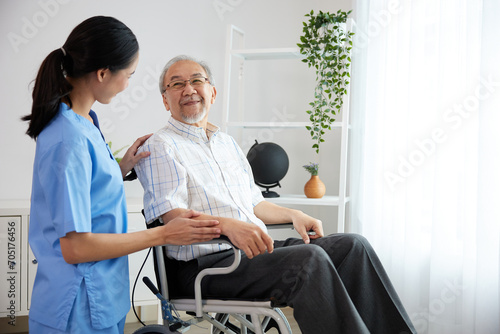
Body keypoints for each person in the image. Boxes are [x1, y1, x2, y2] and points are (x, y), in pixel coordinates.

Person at [134, 54, 417, 334]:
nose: (189, 89)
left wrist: (294, 214)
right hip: (206, 267)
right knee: (309, 259)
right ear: (165, 99)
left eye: (197, 80)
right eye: (177, 84)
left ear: (213, 92)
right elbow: (173, 217)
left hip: (253, 254)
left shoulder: (226, 143)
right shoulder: (161, 145)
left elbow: (255, 203)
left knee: (353, 246)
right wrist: (229, 227)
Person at [23, 19, 221, 334]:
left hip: (104, 291)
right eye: (128, 75)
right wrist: (164, 235)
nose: (128, 84)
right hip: (77, 301)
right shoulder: (67, 138)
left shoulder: (85, 120)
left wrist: (121, 167)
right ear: (103, 73)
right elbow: (75, 247)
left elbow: (86, 190)